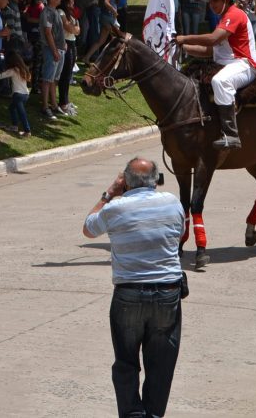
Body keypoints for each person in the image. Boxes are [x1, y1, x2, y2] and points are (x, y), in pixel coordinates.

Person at [83, 157, 186, 418]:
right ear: (156, 180)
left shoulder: (115, 208)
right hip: (167, 292)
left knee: (126, 362)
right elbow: (180, 233)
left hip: (129, 293)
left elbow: (88, 228)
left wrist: (110, 193)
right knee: (161, 364)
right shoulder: (173, 202)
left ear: (126, 181)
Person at [175, 0, 256, 149]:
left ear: (227, 1)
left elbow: (213, 39)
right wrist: (182, 47)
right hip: (228, 64)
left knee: (220, 81)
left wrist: (185, 38)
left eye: (215, 0)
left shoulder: (234, 14)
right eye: (210, 1)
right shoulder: (224, 18)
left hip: (245, 64)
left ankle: (231, 135)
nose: (212, 5)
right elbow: (209, 50)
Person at [0, 50, 33, 137]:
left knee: (21, 113)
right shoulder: (24, 69)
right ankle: (15, 126)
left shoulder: (13, 70)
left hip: (18, 95)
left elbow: (1, 76)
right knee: (12, 108)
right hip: (26, 94)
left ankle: (27, 130)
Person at [38, 0, 66, 119]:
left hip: (59, 49)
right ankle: (44, 106)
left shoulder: (55, 11)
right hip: (51, 49)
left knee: (54, 79)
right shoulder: (47, 12)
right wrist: (54, 50)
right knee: (47, 78)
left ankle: (54, 105)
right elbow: (48, 32)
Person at [84, 0, 122, 64]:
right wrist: (114, 11)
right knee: (120, 38)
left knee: (101, 41)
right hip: (109, 17)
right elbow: (106, 1)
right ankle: (115, 59)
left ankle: (86, 57)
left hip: (104, 16)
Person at [56, 0, 81, 117]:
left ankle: (66, 100)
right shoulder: (61, 12)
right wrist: (74, 29)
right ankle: (62, 102)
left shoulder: (71, 12)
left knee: (69, 73)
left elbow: (77, 29)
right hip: (66, 43)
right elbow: (69, 27)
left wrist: (74, 28)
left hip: (72, 42)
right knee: (65, 74)